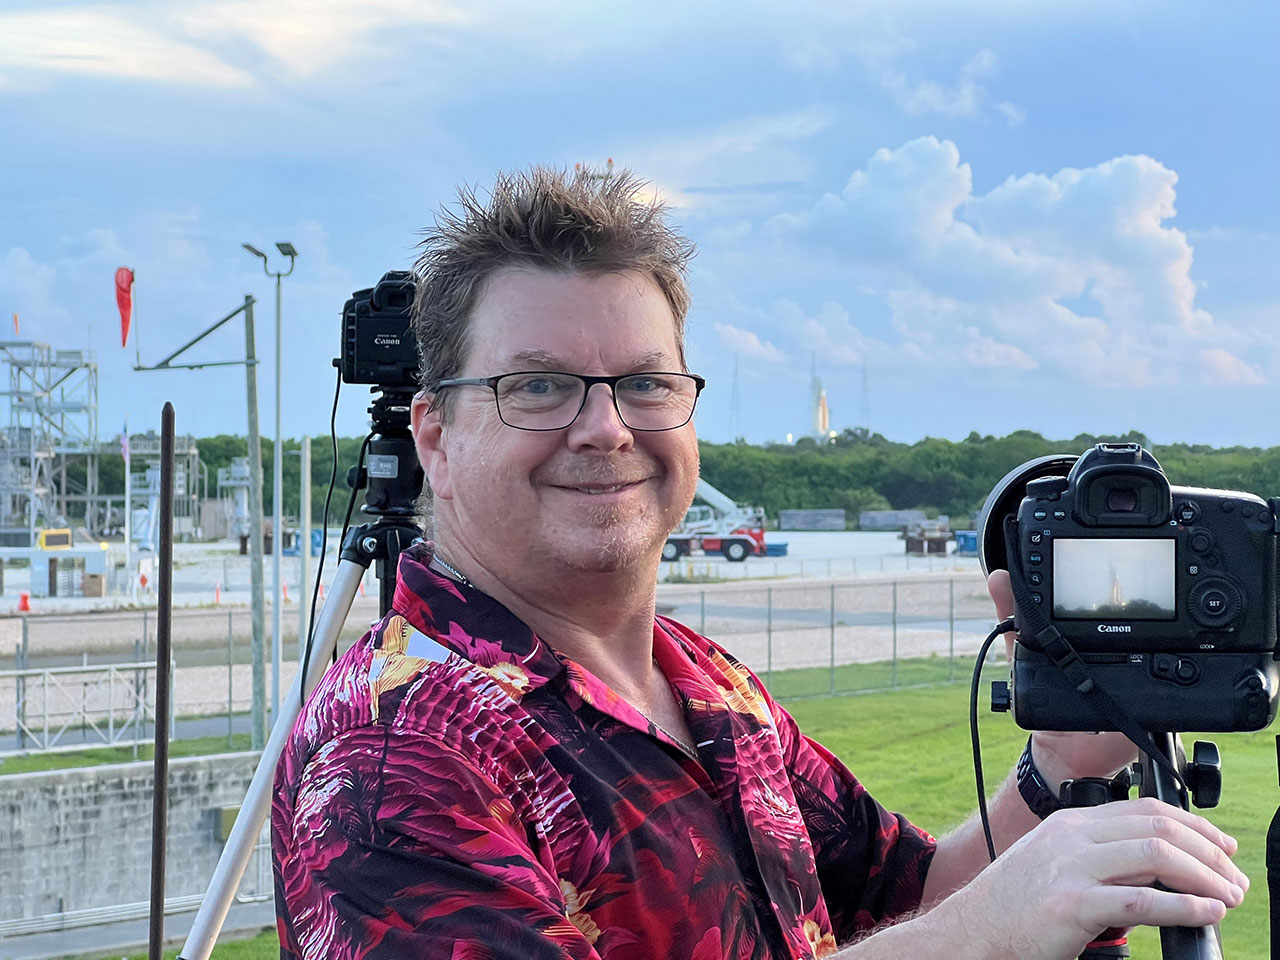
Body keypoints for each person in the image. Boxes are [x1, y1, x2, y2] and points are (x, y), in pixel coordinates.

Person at [271, 167, 1247, 959]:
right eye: (539, 386)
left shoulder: (703, 682)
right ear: (431, 432)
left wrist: (1054, 773)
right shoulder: (389, 762)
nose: (605, 428)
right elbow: (951, 929)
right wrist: (979, 937)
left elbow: (903, 899)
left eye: (644, 383)